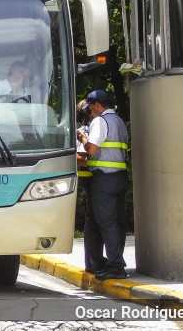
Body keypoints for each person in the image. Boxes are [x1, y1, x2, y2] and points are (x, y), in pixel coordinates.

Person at [76, 90, 129, 281]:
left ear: (98, 105)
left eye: (91, 107)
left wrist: (82, 136)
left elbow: (91, 149)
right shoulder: (119, 121)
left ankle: (115, 267)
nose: (90, 111)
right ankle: (115, 262)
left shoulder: (101, 121)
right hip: (121, 178)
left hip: (104, 180)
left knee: (106, 223)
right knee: (118, 223)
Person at [76, 99, 105, 274]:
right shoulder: (84, 130)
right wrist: (98, 162)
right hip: (90, 179)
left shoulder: (94, 127)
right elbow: (79, 157)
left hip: (95, 178)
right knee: (93, 222)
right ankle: (92, 263)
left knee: (94, 221)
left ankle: (93, 262)